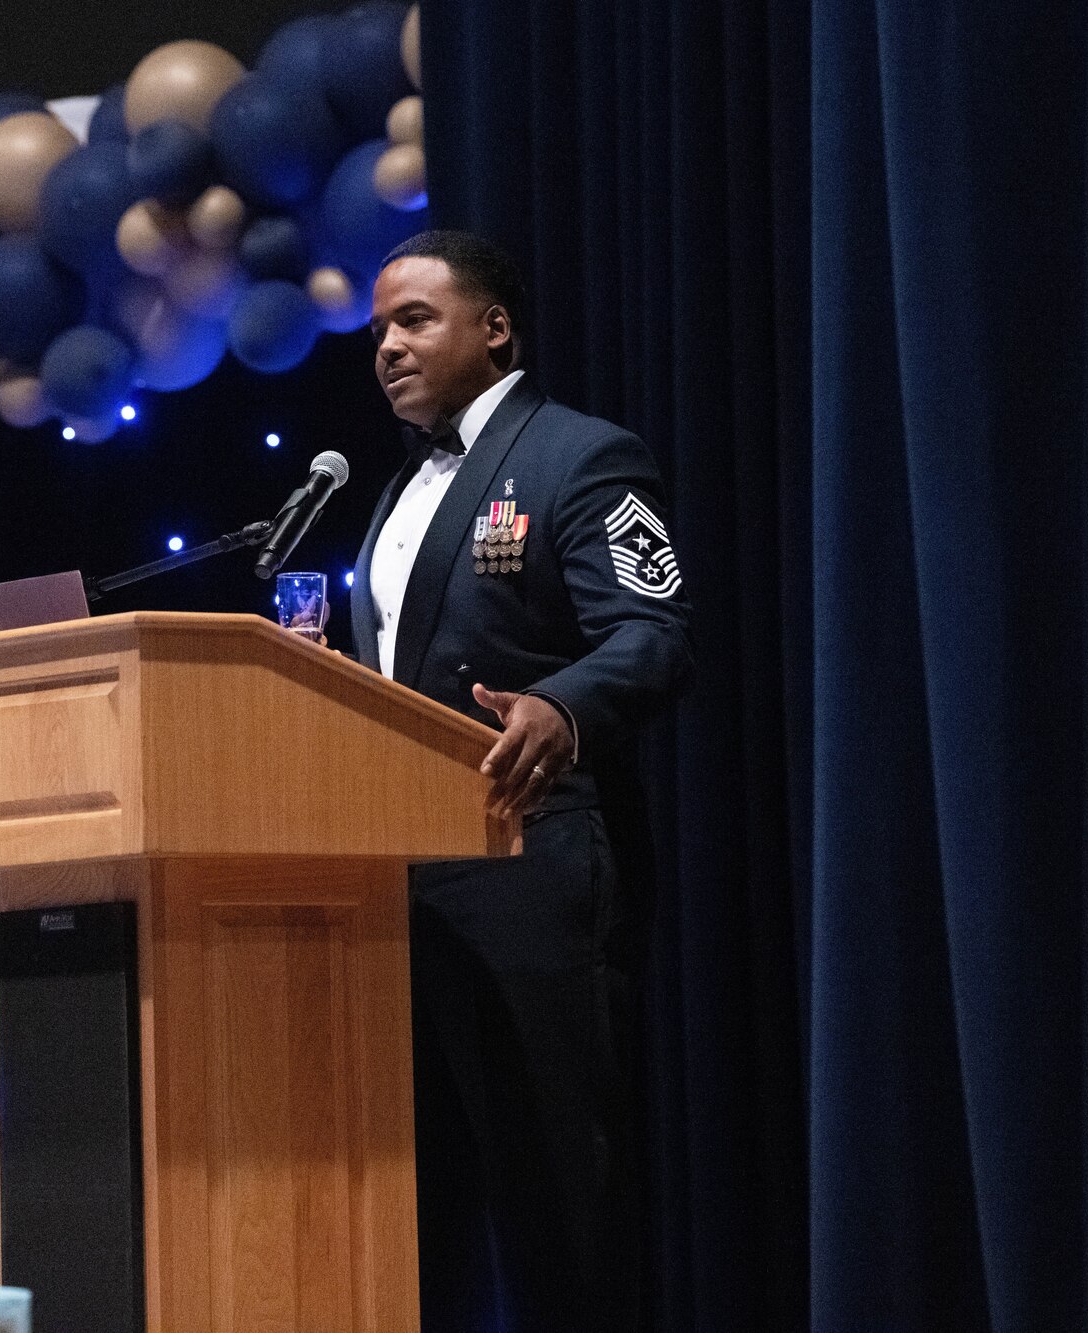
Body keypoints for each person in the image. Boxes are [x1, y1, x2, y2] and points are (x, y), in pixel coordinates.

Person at [346, 229, 692, 1331]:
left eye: (414, 320)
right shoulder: (388, 497)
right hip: (393, 887)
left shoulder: (581, 457)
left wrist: (563, 704)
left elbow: (653, 631)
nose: (387, 349)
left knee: (553, 1202)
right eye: (376, 331)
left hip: (525, 865)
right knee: (413, 1207)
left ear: (493, 329)